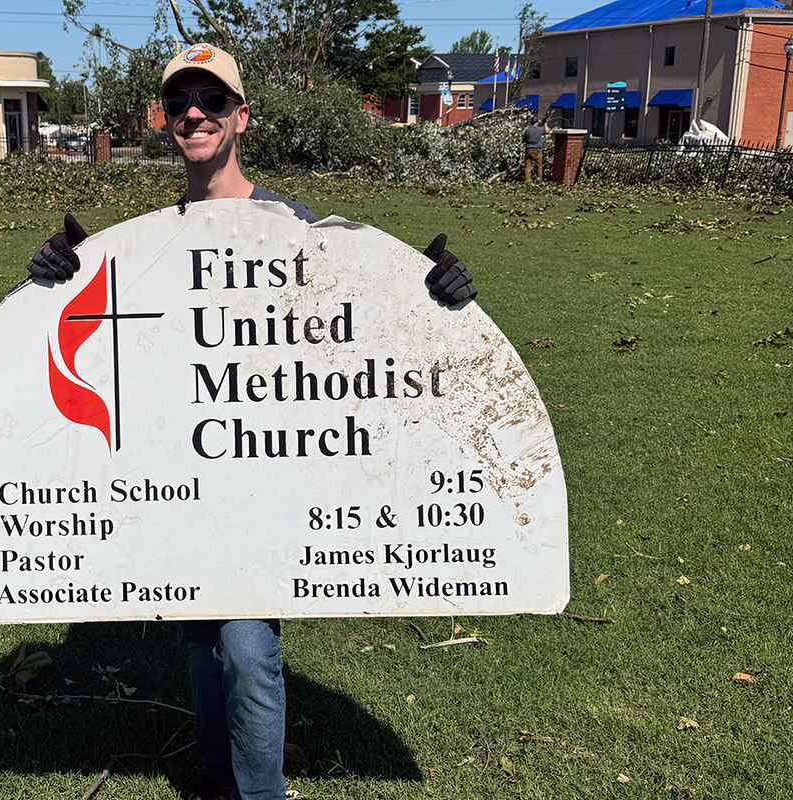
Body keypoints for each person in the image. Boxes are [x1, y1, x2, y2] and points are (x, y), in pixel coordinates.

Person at [26, 43, 475, 800]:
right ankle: (217, 779)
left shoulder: (291, 228)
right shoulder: (150, 244)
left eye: (210, 101)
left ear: (242, 118)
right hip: (188, 475)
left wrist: (435, 297)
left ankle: (261, 794)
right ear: (163, 121)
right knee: (205, 643)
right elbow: (117, 343)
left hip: (268, 477)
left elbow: (358, 333)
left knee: (243, 648)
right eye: (178, 104)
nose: (193, 114)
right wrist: (50, 283)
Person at [523, 116, 550, 182]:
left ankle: (527, 180)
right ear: (537, 123)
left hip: (529, 149)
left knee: (527, 166)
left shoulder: (527, 130)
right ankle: (539, 179)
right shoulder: (539, 129)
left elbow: (523, 140)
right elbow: (547, 131)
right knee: (539, 166)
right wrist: (545, 124)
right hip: (537, 150)